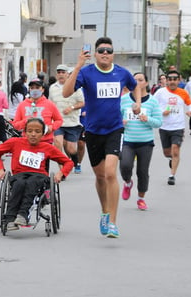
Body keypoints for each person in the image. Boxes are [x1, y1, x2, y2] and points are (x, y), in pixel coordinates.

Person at [62, 37, 141, 238]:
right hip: (93, 131)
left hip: (115, 129)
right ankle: (105, 212)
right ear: (95, 54)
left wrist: (138, 102)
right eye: (101, 51)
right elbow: (66, 92)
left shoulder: (121, 73)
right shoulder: (87, 73)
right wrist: (78, 66)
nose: (105, 53)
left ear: (112, 54)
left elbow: (136, 86)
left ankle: (113, 222)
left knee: (110, 174)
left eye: (108, 50)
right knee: (99, 176)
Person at [0, 118, 73, 230]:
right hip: (19, 175)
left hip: (39, 176)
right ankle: (10, 218)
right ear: (25, 132)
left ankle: (23, 215)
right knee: (19, 184)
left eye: (37, 132)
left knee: (32, 182)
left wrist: (61, 174)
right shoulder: (15, 142)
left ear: (42, 134)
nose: (33, 134)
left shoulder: (47, 147)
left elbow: (68, 162)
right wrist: (0, 169)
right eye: (30, 131)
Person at [119, 72, 162, 211]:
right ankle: (127, 182)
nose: (137, 82)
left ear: (146, 83)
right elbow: (116, 117)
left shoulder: (152, 101)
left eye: (140, 80)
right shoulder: (124, 99)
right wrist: (121, 122)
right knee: (125, 166)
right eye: (134, 80)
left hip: (145, 142)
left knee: (142, 172)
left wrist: (147, 119)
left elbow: (159, 122)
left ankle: (141, 198)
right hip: (128, 140)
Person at [154, 70, 191, 186]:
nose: (172, 81)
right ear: (167, 81)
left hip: (178, 126)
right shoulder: (160, 93)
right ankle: (170, 159)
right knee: (167, 152)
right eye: (170, 79)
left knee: (175, 150)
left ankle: (172, 175)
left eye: (175, 79)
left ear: (179, 80)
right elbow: (152, 106)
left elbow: (190, 105)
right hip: (164, 126)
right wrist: (162, 112)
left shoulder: (183, 93)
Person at [48, 64, 85, 173]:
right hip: (58, 122)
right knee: (57, 143)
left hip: (72, 122)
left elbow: (82, 102)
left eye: (63, 72)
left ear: (68, 74)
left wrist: (72, 107)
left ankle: (76, 162)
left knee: (71, 149)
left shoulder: (75, 87)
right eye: (58, 72)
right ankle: (62, 169)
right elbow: (50, 103)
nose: (60, 75)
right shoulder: (52, 88)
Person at [12, 78, 63, 145]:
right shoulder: (22, 105)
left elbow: (59, 120)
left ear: (43, 89)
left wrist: (51, 127)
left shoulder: (50, 104)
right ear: (29, 90)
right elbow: (15, 125)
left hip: (45, 141)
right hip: (27, 142)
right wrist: (25, 121)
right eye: (32, 88)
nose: (35, 90)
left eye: (37, 87)